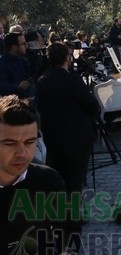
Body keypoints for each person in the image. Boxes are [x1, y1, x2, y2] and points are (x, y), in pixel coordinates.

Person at [0, 95, 81, 255]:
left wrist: (67, 253)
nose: (22, 153)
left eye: (30, 142)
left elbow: (71, 225)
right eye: (9, 143)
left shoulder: (47, 179)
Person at [36, 42, 98, 193]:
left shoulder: (42, 81)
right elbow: (91, 105)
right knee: (75, 180)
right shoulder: (73, 80)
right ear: (67, 58)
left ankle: (63, 211)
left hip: (53, 138)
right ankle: (74, 213)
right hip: (76, 137)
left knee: (59, 180)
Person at [0, 32, 35, 99]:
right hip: (11, 104)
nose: (26, 46)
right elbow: (2, 87)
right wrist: (18, 86)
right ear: (14, 47)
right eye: (23, 44)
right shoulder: (2, 64)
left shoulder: (24, 61)